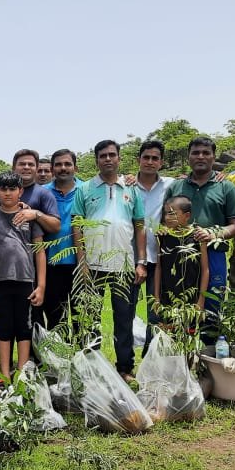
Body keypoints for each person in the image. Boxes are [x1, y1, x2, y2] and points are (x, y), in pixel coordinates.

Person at [72, 139, 146, 382]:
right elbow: (77, 226)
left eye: (112, 155)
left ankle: (124, 368)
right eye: (102, 155)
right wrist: (82, 263)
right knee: (89, 319)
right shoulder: (85, 188)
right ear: (96, 160)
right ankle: (91, 368)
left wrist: (141, 261)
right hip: (92, 266)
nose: (107, 159)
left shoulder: (131, 188)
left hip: (124, 265)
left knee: (123, 319)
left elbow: (140, 226)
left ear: (119, 158)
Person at [164, 137, 235, 341]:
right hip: (180, 256)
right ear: (188, 157)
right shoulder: (176, 186)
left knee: (211, 310)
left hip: (214, 254)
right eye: (196, 152)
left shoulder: (226, 187)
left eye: (206, 153)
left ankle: (208, 367)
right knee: (180, 308)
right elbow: (166, 221)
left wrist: (213, 234)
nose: (201, 156)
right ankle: (181, 364)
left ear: (213, 156)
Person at [0, 172, 45, 380]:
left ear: (20, 191)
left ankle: (22, 372)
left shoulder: (29, 216)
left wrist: (41, 285)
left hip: (26, 280)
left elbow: (40, 251)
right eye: (3, 189)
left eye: (12, 189)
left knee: (24, 326)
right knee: (3, 325)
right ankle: (4, 371)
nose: (8, 193)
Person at [130, 140, 174, 352]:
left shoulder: (171, 185)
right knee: (125, 312)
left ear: (161, 162)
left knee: (156, 311)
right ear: (138, 160)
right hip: (129, 257)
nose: (149, 162)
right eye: (146, 157)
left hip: (159, 258)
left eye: (154, 158)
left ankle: (150, 359)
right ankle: (124, 364)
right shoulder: (125, 184)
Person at [153, 196, 209, 337]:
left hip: (191, 298)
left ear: (187, 215)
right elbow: (159, 268)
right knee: (168, 335)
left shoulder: (197, 236)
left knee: (188, 336)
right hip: (168, 298)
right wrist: (157, 298)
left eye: (173, 213)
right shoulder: (162, 236)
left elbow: (205, 270)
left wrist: (201, 300)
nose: (168, 217)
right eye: (166, 213)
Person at [41, 149, 83, 330]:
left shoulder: (86, 190)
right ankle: (57, 358)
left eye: (67, 164)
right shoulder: (43, 193)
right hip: (52, 264)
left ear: (76, 167)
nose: (63, 168)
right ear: (52, 169)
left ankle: (85, 357)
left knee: (82, 317)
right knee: (55, 317)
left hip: (82, 264)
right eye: (58, 164)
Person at [11, 149, 61, 234]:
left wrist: (36, 214)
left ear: (36, 168)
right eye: (22, 164)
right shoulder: (4, 192)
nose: (26, 167)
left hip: (34, 245)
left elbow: (56, 226)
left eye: (31, 164)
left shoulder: (44, 194)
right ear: (13, 168)